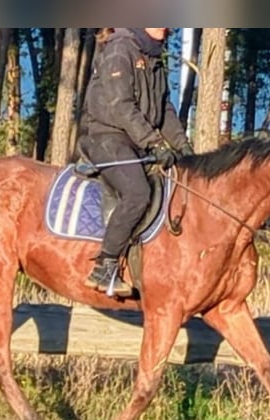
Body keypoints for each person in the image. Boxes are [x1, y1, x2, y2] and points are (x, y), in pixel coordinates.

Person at [78, 28, 194, 297]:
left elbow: (164, 110)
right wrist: (154, 143)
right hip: (108, 137)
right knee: (137, 193)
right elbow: (121, 107)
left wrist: (183, 146)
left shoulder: (154, 58)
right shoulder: (121, 50)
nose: (166, 27)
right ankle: (105, 265)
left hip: (136, 140)